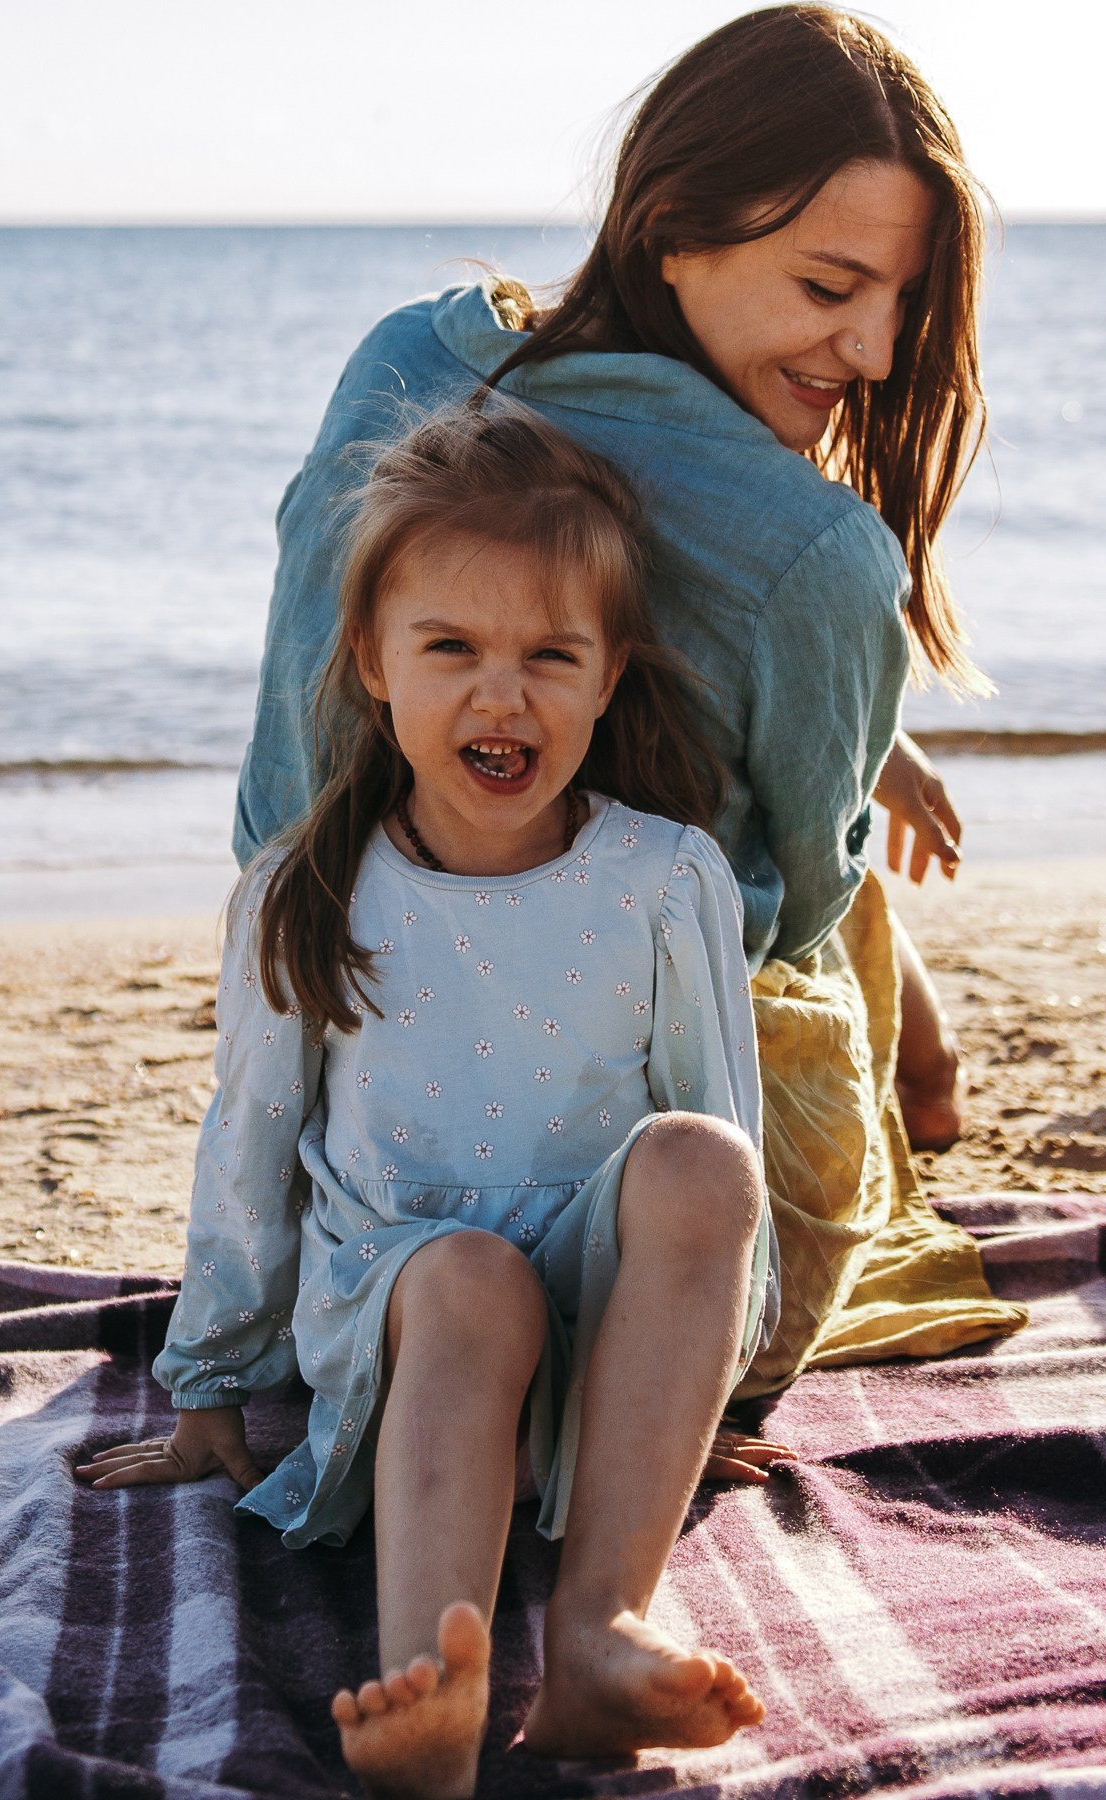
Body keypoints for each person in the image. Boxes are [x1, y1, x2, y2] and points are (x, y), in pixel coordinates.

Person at [230, 4, 1028, 1395]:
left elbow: (281, 812)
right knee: (804, 874)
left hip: (360, 1198)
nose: (882, 355)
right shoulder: (819, 553)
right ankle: (928, 1065)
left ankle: (926, 1050)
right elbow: (786, 919)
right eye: (832, 288)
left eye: (904, 305)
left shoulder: (412, 368)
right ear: (672, 226)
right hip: (685, 1275)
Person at [79, 401, 789, 1793]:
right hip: (411, 1322)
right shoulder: (311, 889)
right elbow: (253, 1143)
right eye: (451, 649)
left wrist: (717, 1392)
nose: (500, 696)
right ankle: (432, 1692)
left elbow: (723, 1153)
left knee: (702, 1160)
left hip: (596, 1349)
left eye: (548, 656)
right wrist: (214, 1378)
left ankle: (596, 1639)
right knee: (470, 1278)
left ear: (608, 678)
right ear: (373, 664)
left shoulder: (664, 877)